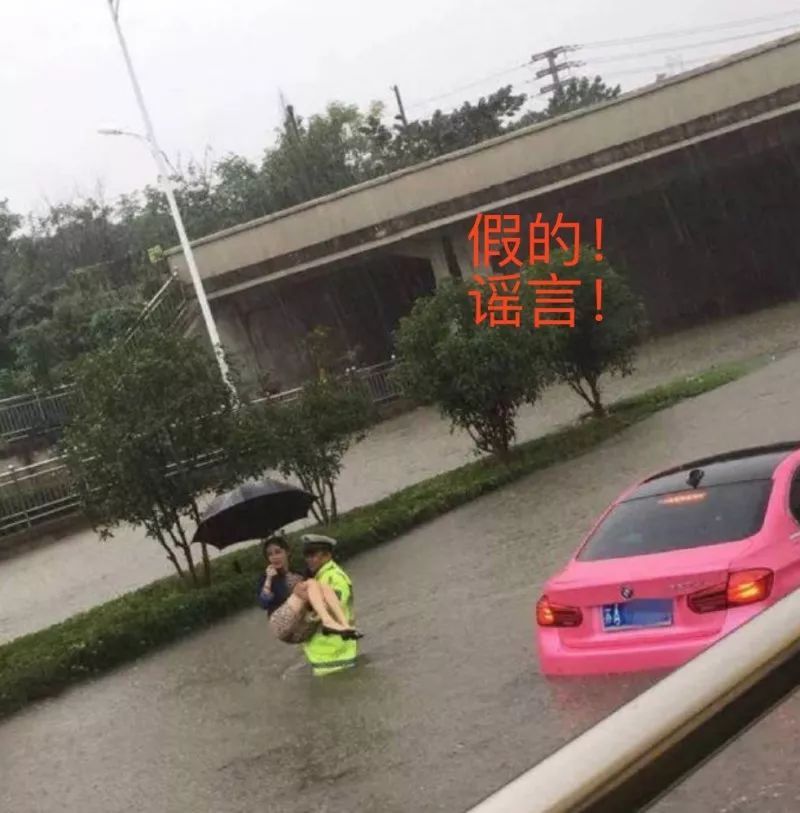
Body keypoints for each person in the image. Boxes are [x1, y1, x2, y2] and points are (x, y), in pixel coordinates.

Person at [257, 534, 360, 644]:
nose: (274, 557)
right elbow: (264, 603)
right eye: (270, 555)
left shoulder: (299, 574)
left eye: (278, 552)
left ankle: (345, 626)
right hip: (281, 623)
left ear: (287, 552)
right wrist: (268, 579)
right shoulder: (267, 578)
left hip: (299, 628)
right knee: (310, 584)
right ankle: (328, 621)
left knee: (321, 586)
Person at [300, 533, 361, 677]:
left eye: (313, 555)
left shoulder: (334, 577)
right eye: (307, 556)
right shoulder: (320, 576)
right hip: (327, 652)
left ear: (327, 555)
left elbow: (333, 605)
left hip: (334, 652)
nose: (309, 560)